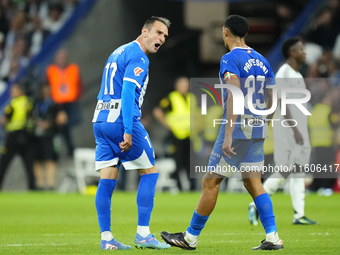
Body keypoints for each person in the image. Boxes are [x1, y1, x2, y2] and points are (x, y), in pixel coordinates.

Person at [160, 15, 283, 251]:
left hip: (237, 129)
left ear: (225, 32)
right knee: (253, 182)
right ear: (245, 33)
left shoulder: (229, 59)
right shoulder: (262, 60)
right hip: (257, 127)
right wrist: (265, 122)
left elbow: (234, 96)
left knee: (210, 181)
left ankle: (190, 237)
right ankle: (273, 237)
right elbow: (273, 98)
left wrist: (228, 135)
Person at [92, 16, 171, 250]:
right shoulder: (139, 55)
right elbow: (127, 92)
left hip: (101, 118)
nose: (161, 39)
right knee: (150, 172)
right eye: (158, 33)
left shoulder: (118, 51)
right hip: (120, 121)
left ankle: (107, 239)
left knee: (107, 178)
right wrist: (128, 130)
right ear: (144, 31)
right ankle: (143, 234)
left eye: (164, 36)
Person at [248, 38, 317, 226]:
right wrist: (295, 129)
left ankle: (299, 214)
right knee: (285, 169)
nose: (305, 52)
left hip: (298, 130)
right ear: (292, 53)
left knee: (298, 171)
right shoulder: (283, 73)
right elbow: (280, 101)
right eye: (301, 49)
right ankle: (256, 203)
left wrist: (303, 128)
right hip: (288, 130)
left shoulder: (297, 75)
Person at [153, 77, 196, 191]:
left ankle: (192, 186)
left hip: (189, 134)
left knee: (190, 162)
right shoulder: (171, 98)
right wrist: (167, 125)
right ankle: (179, 186)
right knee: (178, 161)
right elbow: (158, 111)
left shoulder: (191, 98)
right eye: (182, 85)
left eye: (186, 85)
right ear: (177, 86)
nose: (185, 87)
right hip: (176, 134)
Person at [46, 48, 82, 156]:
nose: (62, 59)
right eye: (59, 57)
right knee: (62, 127)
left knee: (69, 126)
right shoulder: (51, 70)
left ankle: (69, 149)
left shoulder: (73, 68)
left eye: (64, 57)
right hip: (58, 104)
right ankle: (66, 149)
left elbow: (79, 84)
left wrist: (77, 96)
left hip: (71, 102)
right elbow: (47, 86)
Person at [0, 82, 36, 190]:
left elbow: (4, 120)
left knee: (4, 163)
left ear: (21, 91)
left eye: (14, 90)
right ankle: (33, 188)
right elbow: (32, 117)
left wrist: (6, 129)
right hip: (27, 136)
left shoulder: (13, 104)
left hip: (13, 136)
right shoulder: (29, 102)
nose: (12, 92)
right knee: (29, 163)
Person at [32, 83, 67, 190]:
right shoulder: (35, 103)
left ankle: (51, 184)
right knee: (37, 160)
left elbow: (61, 119)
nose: (45, 92)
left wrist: (49, 124)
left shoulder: (54, 104)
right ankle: (40, 184)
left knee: (50, 159)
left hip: (50, 135)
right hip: (36, 135)